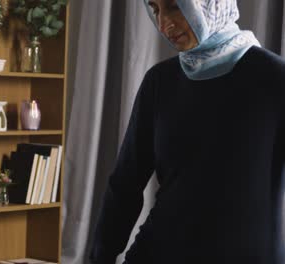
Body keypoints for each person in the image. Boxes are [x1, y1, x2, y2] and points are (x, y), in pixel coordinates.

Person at [90, 0, 285, 263]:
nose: (162, 23)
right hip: (161, 251)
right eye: (155, 9)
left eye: (173, 6)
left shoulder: (275, 79)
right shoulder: (159, 82)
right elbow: (125, 183)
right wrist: (99, 258)